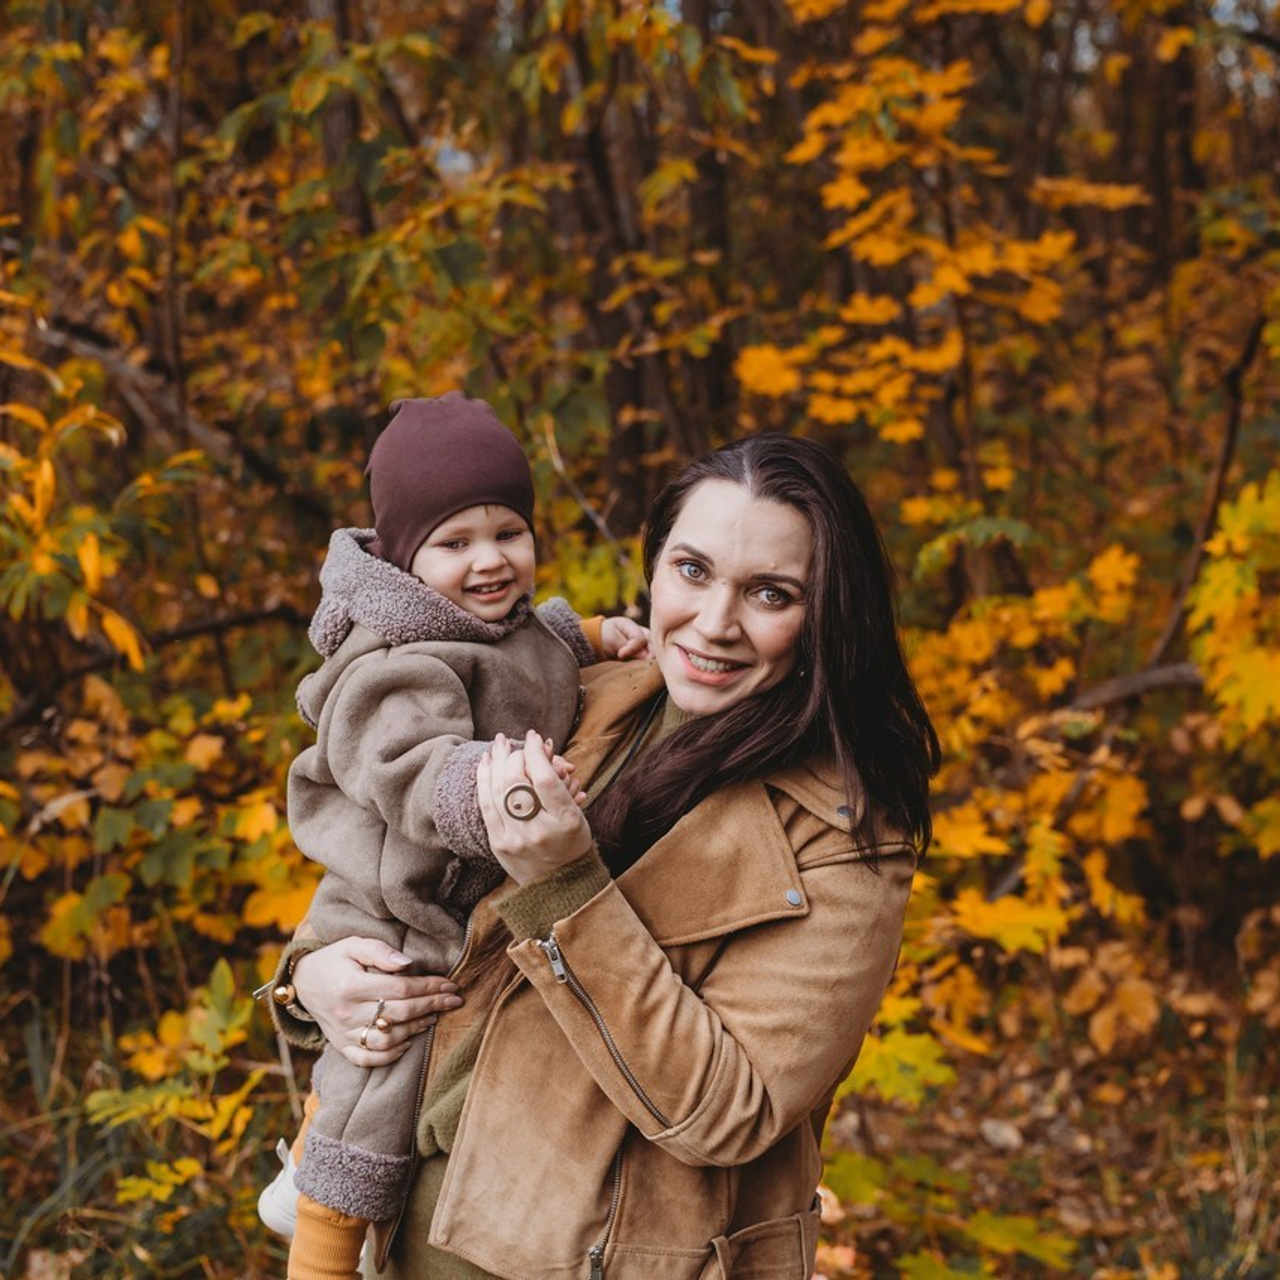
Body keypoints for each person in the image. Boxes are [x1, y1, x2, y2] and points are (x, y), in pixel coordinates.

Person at [270, 433, 940, 1280]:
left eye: (770, 593)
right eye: (692, 572)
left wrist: (565, 884)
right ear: (655, 568)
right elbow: (400, 856)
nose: (714, 622)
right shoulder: (578, 694)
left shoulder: (845, 837)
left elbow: (730, 1110)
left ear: (828, 615)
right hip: (410, 1238)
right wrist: (314, 976)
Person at [260, 393, 649, 1280]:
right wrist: (489, 790)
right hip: (397, 899)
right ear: (403, 556)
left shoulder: (499, 623)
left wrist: (593, 634)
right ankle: (320, 1240)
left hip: (456, 889)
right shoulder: (395, 664)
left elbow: (537, 643)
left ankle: (309, 1156)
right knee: (380, 1077)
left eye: (508, 532)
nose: (490, 561)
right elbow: (406, 764)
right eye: (456, 542)